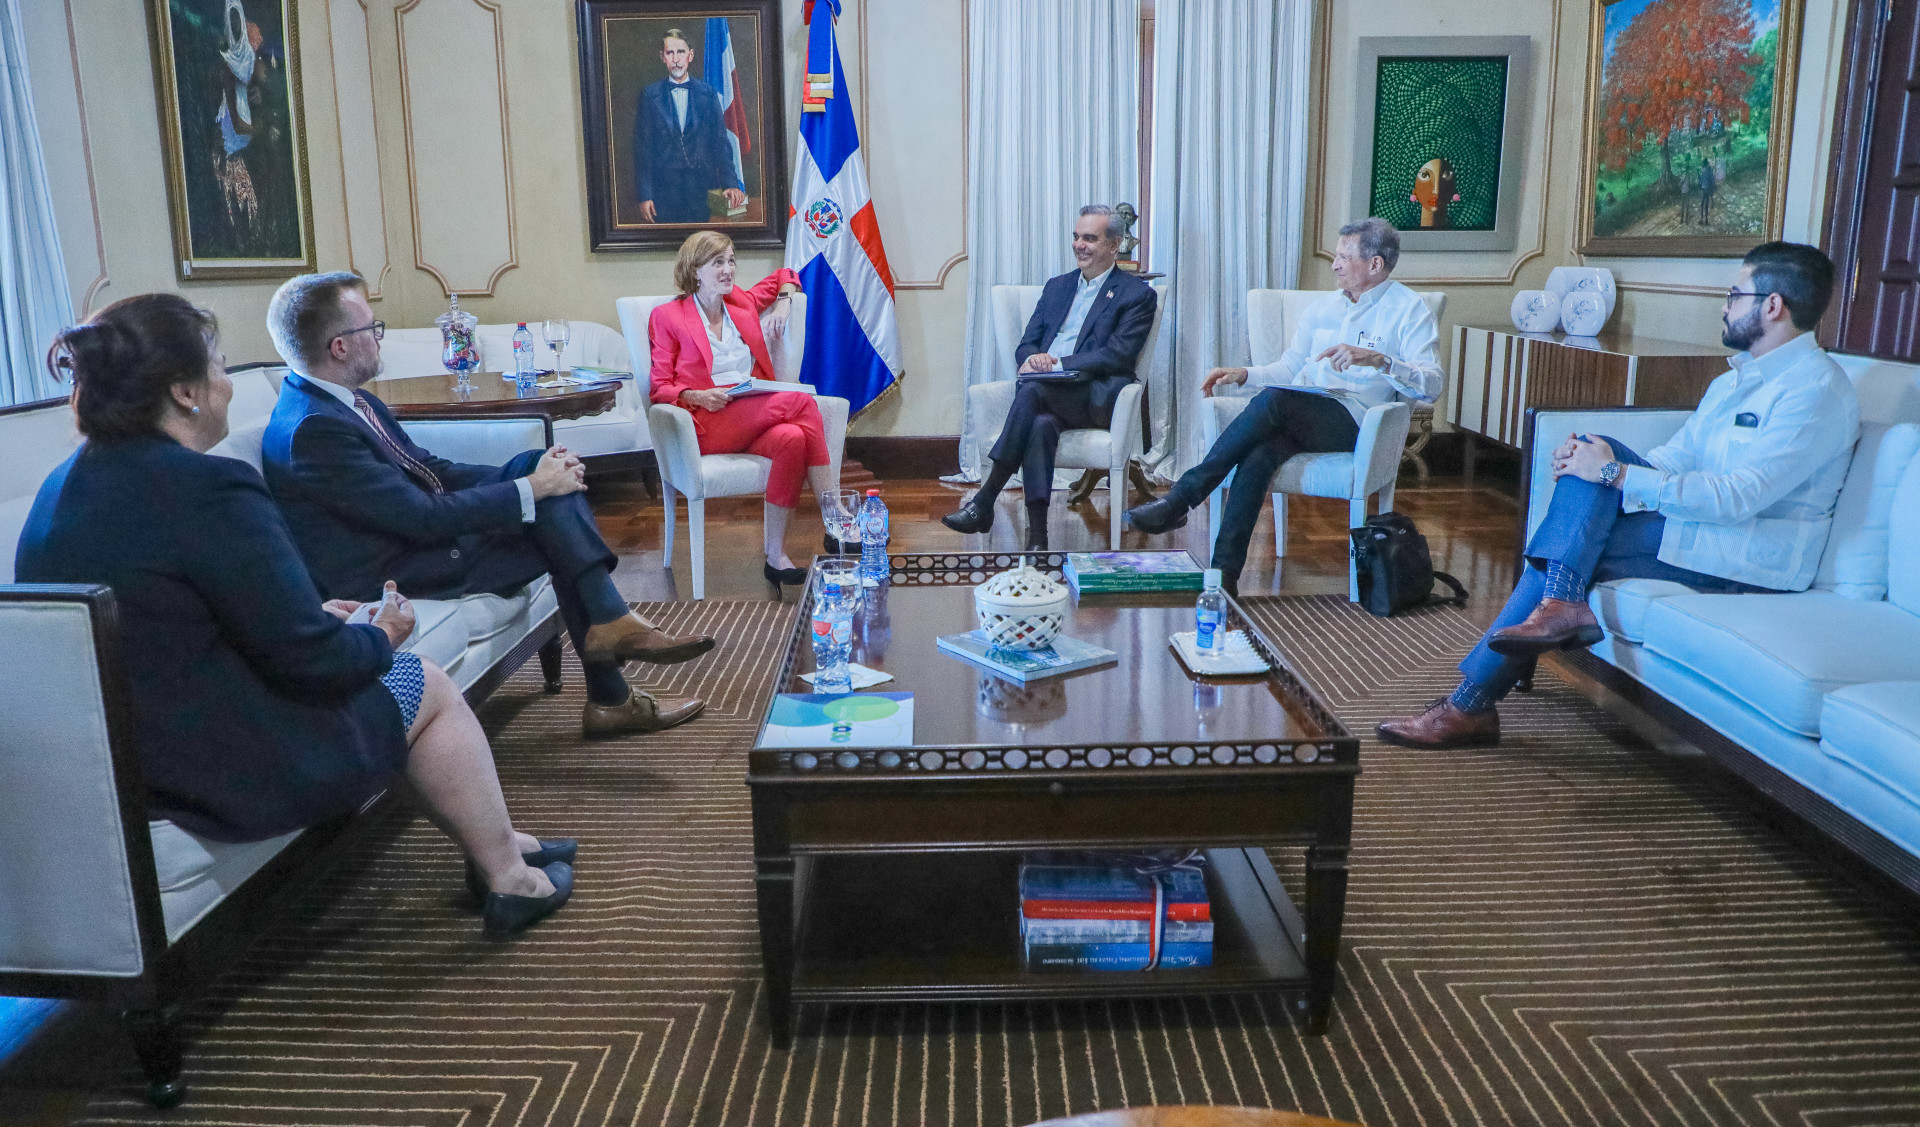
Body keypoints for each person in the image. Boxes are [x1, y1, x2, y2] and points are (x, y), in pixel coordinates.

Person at [14, 294, 572, 937]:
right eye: (219, 366)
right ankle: (509, 878)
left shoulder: (60, 490)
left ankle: (499, 841)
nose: (228, 385)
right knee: (423, 682)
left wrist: (308, 613)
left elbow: (174, 620)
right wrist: (380, 634)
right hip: (222, 771)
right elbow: (320, 665)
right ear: (185, 392)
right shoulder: (209, 488)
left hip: (133, 762)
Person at [1378, 242, 1860, 749]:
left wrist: (1612, 474)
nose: (1724, 305)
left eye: (1734, 295)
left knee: (1561, 550)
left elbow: (1738, 498)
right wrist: (1594, 464)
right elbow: (1675, 458)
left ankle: (1472, 702)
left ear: (1773, 305)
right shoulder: (1733, 383)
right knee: (1591, 450)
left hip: (1749, 558)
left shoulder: (1815, 391)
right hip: (1699, 529)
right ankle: (1547, 620)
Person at [261, 273, 712, 739]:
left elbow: (430, 469)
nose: (379, 338)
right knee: (555, 519)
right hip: (398, 571)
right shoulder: (314, 431)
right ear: (339, 347)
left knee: (543, 473)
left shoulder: (342, 401)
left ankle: (612, 648)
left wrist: (534, 475)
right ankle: (611, 683)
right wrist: (531, 489)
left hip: (415, 544)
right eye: (372, 328)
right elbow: (421, 518)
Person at [1125, 217, 1441, 595]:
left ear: (1375, 264)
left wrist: (1381, 360)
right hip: (1305, 412)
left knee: (1276, 400)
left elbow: (1432, 386)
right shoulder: (1324, 308)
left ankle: (1182, 498)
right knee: (1259, 455)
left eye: (1344, 257)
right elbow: (1290, 368)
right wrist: (1244, 374)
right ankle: (1224, 577)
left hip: (1361, 423)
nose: (1335, 265)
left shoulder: (1409, 309)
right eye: (1335, 256)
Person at [942, 204, 1159, 551]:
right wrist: (1033, 360)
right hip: (1048, 391)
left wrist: (1055, 364)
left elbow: (1117, 355)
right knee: (1040, 424)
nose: (1079, 245)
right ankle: (1038, 539)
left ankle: (986, 499)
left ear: (1113, 245)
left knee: (1031, 393)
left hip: (1096, 396)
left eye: (1090, 239)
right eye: (1076, 237)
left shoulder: (1136, 295)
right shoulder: (1057, 287)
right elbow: (1027, 344)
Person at [648, 230, 829, 587]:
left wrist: (784, 301)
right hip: (707, 420)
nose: (728, 269)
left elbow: (785, 275)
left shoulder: (740, 303)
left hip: (751, 411)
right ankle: (833, 515)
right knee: (801, 401)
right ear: (695, 270)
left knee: (792, 439)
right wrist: (697, 396)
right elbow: (659, 387)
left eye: (731, 260)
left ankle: (775, 556)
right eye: (718, 262)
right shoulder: (668, 316)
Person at [635, 28, 746, 225]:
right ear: (662, 57)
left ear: (691, 55)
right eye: (670, 53)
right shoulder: (650, 95)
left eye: (681, 52)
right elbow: (643, 150)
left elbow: (720, 142)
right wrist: (645, 195)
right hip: (664, 193)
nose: (676, 59)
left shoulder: (708, 93)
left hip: (701, 190)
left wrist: (730, 183)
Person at [1698, 157, 1716, 225]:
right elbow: (1712, 179)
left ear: (1704, 164)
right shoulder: (1709, 170)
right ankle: (1706, 220)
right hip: (1708, 189)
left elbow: (1701, 181)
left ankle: (1702, 219)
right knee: (1706, 204)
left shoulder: (1703, 170)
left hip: (1704, 188)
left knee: (1702, 204)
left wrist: (1699, 176)